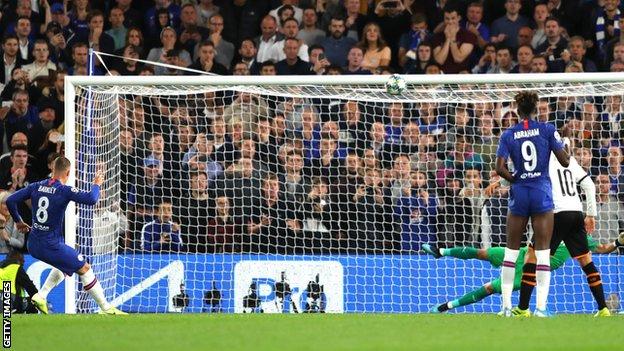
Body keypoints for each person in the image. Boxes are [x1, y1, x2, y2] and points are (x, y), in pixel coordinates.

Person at [5, 157, 126, 314]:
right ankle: (106, 308)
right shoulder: (64, 190)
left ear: (53, 169)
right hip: (50, 245)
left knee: (64, 265)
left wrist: (18, 221)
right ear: (68, 172)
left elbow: (11, 200)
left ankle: (41, 295)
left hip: (33, 243)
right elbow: (91, 199)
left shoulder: (36, 186)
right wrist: (97, 183)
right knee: (85, 268)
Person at [508, 138, 610, 317]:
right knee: (586, 260)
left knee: (532, 256)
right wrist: (591, 214)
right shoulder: (571, 162)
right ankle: (603, 308)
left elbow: (520, 175)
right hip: (576, 213)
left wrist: (500, 184)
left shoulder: (542, 162)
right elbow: (589, 185)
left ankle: (523, 308)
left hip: (556, 214)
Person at [495, 91, 569, 317]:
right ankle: (540, 309)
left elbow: (499, 168)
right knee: (543, 253)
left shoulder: (509, 134)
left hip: (520, 193)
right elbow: (565, 161)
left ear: (517, 112)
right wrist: (565, 143)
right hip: (541, 193)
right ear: (536, 110)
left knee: (511, 253)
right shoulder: (547, 129)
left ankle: (506, 307)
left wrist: (516, 179)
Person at [423, 234, 622, 313]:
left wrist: (618, 242)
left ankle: (445, 306)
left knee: (490, 287)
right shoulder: (550, 222)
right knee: (483, 252)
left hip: (530, 272)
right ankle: (440, 252)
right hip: (521, 255)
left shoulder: (580, 236)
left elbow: (603, 249)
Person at [0, 249, 47, 314]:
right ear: (15, 258)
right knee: (33, 304)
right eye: (21, 258)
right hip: (9, 302)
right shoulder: (15, 268)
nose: (24, 261)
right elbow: (31, 288)